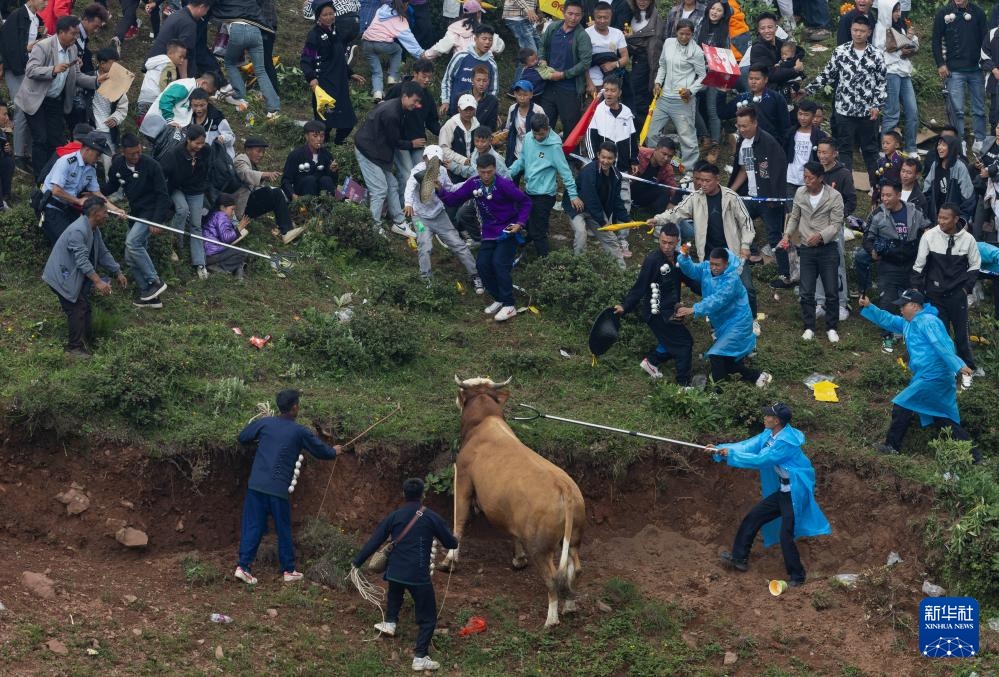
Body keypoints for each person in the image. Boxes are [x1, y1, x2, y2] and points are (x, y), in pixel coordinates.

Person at [712, 402, 830, 586]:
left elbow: (762, 459)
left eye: (768, 415)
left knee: (786, 535)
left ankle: (797, 577)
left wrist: (731, 456)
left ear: (777, 421)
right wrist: (720, 449)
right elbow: (747, 446)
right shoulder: (769, 433)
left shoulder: (786, 443)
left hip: (794, 494)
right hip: (783, 492)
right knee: (753, 517)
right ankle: (739, 558)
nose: (764, 417)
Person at [234, 389, 343, 586]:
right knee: (283, 528)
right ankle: (288, 570)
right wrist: (334, 451)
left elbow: (243, 437)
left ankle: (243, 567)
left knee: (253, 526)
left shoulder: (265, 423)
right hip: (277, 489)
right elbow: (320, 451)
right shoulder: (299, 431)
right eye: (298, 404)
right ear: (294, 408)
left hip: (256, 485)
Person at [351, 478, 458, 674]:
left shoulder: (395, 516)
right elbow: (451, 544)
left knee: (395, 591)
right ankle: (419, 657)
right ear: (423, 495)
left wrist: (357, 562)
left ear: (403, 494)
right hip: (418, 575)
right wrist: (454, 538)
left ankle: (390, 622)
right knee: (428, 617)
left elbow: (375, 540)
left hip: (395, 572)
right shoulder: (431, 517)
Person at [858, 290, 979, 462]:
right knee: (943, 418)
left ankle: (892, 446)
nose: (900, 309)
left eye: (903, 305)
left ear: (914, 306)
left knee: (902, 403)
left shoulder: (928, 321)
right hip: (926, 376)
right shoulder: (909, 322)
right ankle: (974, 457)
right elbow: (888, 320)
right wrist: (870, 306)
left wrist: (959, 365)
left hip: (936, 375)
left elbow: (942, 345)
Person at [651, 160, 759, 319]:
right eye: (700, 180)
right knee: (712, 290)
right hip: (709, 255)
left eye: (707, 180)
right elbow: (676, 212)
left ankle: (752, 319)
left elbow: (746, 223)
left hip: (733, 254)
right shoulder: (695, 198)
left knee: (746, 287)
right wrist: (657, 219)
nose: (703, 184)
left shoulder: (731, 197)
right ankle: (718, 322)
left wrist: (745, 245)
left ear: (717, 179)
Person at [438, 154, 532, 322]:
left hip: (508, 231)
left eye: (489, 172)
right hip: (489, 232)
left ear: (495, 169)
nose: (486, 176)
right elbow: (453, 200)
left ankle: (510, 305)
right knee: (481, 265)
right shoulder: (473, 184)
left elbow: (526, 202)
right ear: (478, 171)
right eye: (482, 172)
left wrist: (520, 223)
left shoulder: (504, 185)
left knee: (499, 263)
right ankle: (499, 298)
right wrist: (439, 190)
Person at [801, 15, 886, 191]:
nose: (858, 34)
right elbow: (827, 74)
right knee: (845, 150)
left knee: (870, 150)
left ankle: (877, 188)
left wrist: (877, 105)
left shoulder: (877, 55)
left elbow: (881, 83)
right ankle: (844, 188)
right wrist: (808, 89)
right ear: (851, 30)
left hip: (867, 111)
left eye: (862, 31)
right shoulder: (841, 51)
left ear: (869, 32)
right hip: (844, 110)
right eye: (855, 30)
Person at [15, 15, 102, 181]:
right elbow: (31, 70)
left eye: (77, 34)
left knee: (56, 140)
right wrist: (53, 70)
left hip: (55, 101)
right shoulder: (44, 46)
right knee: (41, 139)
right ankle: (40, 179)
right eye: (73, 33)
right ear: (61, 32)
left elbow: (76, 76)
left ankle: (53, 176)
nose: (75, 37)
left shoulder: (73, 50)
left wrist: (96, 81)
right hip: (36, 100)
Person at [41, 196, 127, 358]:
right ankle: (74, 348)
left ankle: (85, 341)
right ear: (95, 213)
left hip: (72, 276)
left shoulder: (94, 229)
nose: (107, 215)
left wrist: (117, 271)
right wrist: (98, 281)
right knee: (77, 308)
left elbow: (102, 252)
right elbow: (81, 260)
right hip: (61, 276)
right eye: (105, 212)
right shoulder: (78, 231)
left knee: (84, 307)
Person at [675, 247, 772, 387]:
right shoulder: (707, 268)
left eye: (717, 265)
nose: (713, 268)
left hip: (738, 322)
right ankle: (758, 376)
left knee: (716, 354)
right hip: (723, 323)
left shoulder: (731, 279)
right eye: (712, 264)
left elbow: (717, 300)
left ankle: (719, 391)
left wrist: (693, 309)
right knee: (729, 364)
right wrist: (684, 258)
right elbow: (692, 270)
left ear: (726, 264)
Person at [911, 203, 981, 386]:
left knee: (961, 335)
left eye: (945, 218)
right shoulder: (929, 236)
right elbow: (918, 267)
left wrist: (966, 289)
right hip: (935, 295)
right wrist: (918, 290)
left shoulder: (968, 240)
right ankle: (945, 371)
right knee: (939, 336)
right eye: (939, 217)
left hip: (957, 295)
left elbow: (975, 266)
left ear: (956, 219)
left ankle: (968, 369)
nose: (940, 221)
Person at [614, 224, 695, 383]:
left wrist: (712, 292)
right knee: (684, 343)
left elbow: (691, 281)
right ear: (659, 239)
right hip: (656, 313)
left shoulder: (680, 259)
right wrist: (625, 306)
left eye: (670, 243)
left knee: (675, 341)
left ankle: (652, 362)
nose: (666, 246)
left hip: (672, 312)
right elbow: (640, 286)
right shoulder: (652, 260)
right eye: (663, 242)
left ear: (677, 241)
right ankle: (683, 384)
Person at [102, 133, 171, 309]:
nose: (136, 156)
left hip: (150, 213)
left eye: (139, 152)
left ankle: (154, 280)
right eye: (132, 153)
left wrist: (157, 221)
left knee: (132, 243)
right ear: (123, 152)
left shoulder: (152, 166)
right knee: (130, 256)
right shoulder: (117, 165)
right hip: (136, 212)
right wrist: (93, 190)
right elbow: (111, 186)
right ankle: (148, 295)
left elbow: (163, 195)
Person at [779, 161, 845, 343]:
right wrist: (787, 235)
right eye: (804, 177)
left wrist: (821, 236)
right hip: (807, 249)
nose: (806, 181)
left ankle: (831, 327)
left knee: (831, 290)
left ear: (820, 178)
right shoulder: (800, 193)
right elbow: (795, 217)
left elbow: (837, 223)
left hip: (827, 248)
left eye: (810, 178)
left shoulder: (834, 196)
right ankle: (809, 327)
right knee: (806, 291)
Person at [862, 181, 931, 353]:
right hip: (889, 265)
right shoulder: (878, 214)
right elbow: (867, 238)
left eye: (888, 195)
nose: (884, 199)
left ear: (899, 195)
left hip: (911, 264)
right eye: (882, 195)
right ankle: (887, 337)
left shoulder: (914, 211)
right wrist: (872, 251)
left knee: (913, 301)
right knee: (888, 301)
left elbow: (927, 229)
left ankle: (910, 334)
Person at [404, 144, 482, 289]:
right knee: (425, 246)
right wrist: (408, 203)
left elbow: (450, 189)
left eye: (437, 162)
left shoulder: (442, 172)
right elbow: (409, 187)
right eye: (430, 160)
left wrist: (468, 183)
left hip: (439, 215)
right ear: (424, 158)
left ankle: (475, 275)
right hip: (420, 218)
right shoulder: (417, 171)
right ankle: (426, 279)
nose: (433, 164)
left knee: (458, 244)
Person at [729, 107, 790, 290]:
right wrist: (731, 191)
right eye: (739, 126)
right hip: (751, 196)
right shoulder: (742, 142)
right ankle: (752, 253)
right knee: (737, 218)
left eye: (745, 126)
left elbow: (779, 171)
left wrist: (775, 198)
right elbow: (743, 170)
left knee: (774, 235)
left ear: (755, 123)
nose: (741, 130)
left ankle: (785, 273)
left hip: (769, 198)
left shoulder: (768, 142)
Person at [508, 114, 583, 258]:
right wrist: (508, 173)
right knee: (527, 221)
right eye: (535, 134)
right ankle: (524, 243)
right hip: (529, 190)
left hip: (545, 195)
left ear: (547, 128)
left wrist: (573, 195)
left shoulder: (554, 147)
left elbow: (565, 172)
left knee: (539, 231)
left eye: (541, 134)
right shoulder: (529, 138)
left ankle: (545, 260)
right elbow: (522, 160)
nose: (538, 137)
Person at [354, 80, 423, 237]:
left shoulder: (399, 107)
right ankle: (373, 229)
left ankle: (399, 223)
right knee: (379, 189)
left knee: (391, 184)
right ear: (405, 96)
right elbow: (395, 142)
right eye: (415, 101)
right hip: (367, 151)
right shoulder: (392, 113)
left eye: (419, 101)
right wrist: (411, 144)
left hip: (378, 151)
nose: (417, 104)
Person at [40, 132, 119, 245]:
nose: (99, 158)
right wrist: (78, 201)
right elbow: (56, 191)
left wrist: (115, 209)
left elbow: (97, 193)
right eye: (98, 154)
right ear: (87, 150)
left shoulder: (90, 170)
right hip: (52, 207)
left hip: (68, 208)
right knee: (67, 243)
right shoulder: (66, 162)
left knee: (87, 237)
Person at [646, 19, 704, 169]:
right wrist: (658, 83)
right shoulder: (669, 43)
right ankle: (661, 162)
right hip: (664, 97)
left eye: (688, 34)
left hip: (683, 100)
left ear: (692, 34)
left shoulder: (696, 51)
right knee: (651, 133)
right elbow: (662, 65)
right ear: (676, 32)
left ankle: (689, 171)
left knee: (687, 138)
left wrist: (690, 90)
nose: (684, 37)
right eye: (681, 33)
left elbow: (703, 76)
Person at [932, 0, 988, 152]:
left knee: (979, 108)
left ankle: (980, 139)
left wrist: (986, 63)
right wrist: (940, 64)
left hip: (976, 68)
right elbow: (936, 40)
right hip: (953, 69)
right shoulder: (943, 13)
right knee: (957, 109)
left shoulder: (978, 12)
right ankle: (959, 141)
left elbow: (986, 40)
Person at [0, 0, 48, 171]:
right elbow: (9, 44)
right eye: (43, 0)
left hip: (29, 70)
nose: (46, 4)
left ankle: (26, 152)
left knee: (30, 109)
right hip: (16, 69)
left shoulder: (36, 19)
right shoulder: (17, 16)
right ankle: (18, 155)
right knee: (21, 108)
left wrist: (41, 36)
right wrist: (27, 48)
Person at [160, 124, 212, 278]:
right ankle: (174, 245)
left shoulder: (206, 151)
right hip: (178, 188)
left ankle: (200, 263)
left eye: (202, 143)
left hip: (196, 190)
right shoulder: (174, 153)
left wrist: (202, 181)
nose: (200, 146)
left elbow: (208, 170)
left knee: (196, 225)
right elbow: (162, 174)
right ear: (188, 140)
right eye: (197, 143)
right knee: (182, 210)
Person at [214, 0, 281, 116]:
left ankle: (240, 95)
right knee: (261, 70)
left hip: (237, 28)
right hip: (255, 30)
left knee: (230, 63)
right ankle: (274, 108)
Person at [386, 59, 441, 195]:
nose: (427, 80)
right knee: (407, 175)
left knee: (419, 175)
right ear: (415, 74)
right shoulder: (399, 89)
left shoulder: (427, 97)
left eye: (430, 77)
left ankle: (407, 206)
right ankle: (403, 210)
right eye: (424, 76)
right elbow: (384, 109)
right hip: (399, 141)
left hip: (418, 142)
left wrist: (446, 131)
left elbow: (432, 122)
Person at [538, 1, 592, 134]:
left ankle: (569, 155)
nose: (573, 18)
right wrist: (542, 59)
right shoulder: (553, 28)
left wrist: (563, 74)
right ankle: (543, 153)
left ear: (582, 15)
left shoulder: (582, 36)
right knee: (543, 124)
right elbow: (542, 46)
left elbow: (585, 62)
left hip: (570, 89)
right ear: (563, 12)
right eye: (570, 14)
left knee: (570, 127)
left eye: (577, 15)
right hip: (548, 85)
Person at [570, 141, 628, 268]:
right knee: (581, 234)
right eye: (603, 157)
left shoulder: (617, 176)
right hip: (577, 208)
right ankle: (579, 268)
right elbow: (591, 198)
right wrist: (603, 221)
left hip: (596, 212)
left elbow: (617, 200)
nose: (606, 161)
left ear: (615, 158)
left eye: (609, 158)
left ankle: (622, 274)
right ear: (598, 155)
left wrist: (627, 219)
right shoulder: (589, 171)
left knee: (611, 239)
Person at [874, 0, 919, 155]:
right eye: (895, 10)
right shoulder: (880, 28)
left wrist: (910, 40)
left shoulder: (901, 25)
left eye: (899, 10)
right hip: (890, 72)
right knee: (892, 112)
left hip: (904, 71)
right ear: (887, 10)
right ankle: (884, 149)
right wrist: (901, 51)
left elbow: (909, 47)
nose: (898, 14)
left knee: (912, 110)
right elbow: (880, 52)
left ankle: (911, 147)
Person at [235, 137, 297, 243]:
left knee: (275, 193)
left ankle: (287, 227)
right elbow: (245, 174)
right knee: (275, 193)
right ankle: (286, 231)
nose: (261, 155)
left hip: (247, 204)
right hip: (239, 208)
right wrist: (265, 174)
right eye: (258, 151)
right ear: (247, 150)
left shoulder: (251, 163)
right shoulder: (240, 160)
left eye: (263, 152)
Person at [361, 0, 424, 102]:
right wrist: (421, 54)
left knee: (376, 71)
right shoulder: (401, 20)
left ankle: (377, 92)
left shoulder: (382, 9)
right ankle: (393, 77)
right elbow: (410, 41)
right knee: (397, 49)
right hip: (381, 44)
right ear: (406, 5)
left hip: (366, 42)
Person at [138, 71, 218, 142]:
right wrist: (170, 120)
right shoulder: (186, 86)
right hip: (158, 126)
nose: (208, 95)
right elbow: (166, 100)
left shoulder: (194, 90)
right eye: (210, 92)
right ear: (204, 84)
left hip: (167, 130)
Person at [440, 24, 498, 116]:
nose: (487, 42)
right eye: (484, 39)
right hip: (457, 109)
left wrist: (491, 110)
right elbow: (447, 79)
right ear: (475, 39)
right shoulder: (461, 56)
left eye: (490, 39)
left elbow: (493, 90)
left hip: (479, 112)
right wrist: (445, 101)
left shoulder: (492, 64)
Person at [720, 65, 789, 142]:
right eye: (751, 78)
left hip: (770, 144)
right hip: (747, 145)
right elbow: (723, 113)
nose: (753, 82)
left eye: (757, 79)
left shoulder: (776, 98)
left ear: (765, 79)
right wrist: (722, 92)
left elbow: (785, 127)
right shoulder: (743, 97)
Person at [146, 0, 212, 80]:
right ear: (201, 7)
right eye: (206, 10)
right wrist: (184, 81)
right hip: (164, 70)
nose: (205, 14)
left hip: (153, 63)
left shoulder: (177, 14)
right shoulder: (189, 24)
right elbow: (182, 55)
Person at [625, 0, 666, 124]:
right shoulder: (629, 14)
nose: (642, 2)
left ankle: (642, 129)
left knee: (641, 96)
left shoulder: (656, 19)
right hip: (633, 59)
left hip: (648, 62)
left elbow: (656, 47)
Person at [281, 120, 338, 201]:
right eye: (315, 136)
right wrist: (292, 195)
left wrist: (333, 171)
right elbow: (286, 180)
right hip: (302, 193)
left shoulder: (327, 155)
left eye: (322, 136)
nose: (319, 139)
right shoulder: (295, 155)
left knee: (326, 179)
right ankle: (308, 208)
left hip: (321, 193)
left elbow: (332, 181)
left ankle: (327, 207)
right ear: (307, 136)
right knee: (310, 180)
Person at [427, 0, 506, 58]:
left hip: (461, 65)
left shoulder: (455, 28)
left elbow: (442, 47)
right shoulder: (484, 30)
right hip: (482, 68)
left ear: (464, 12)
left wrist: (426, 55)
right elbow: (499, 46)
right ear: (478, 13)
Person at [924, 135, 977, 221]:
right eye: (939, 144)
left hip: (954, 219)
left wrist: (963, 219)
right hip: (936, 216)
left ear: (952, 147)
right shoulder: (935, 165)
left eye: (944, 145)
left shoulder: (960, 167)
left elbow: (968, 197)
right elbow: (927, 191)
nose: (939, 148)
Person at [784, 100, 827, 197]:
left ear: (813, 116)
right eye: (800, 114)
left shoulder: (820, 136)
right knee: (791, 210)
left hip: (810, 180)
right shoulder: (791, 133)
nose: (802, 118)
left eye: (806, 115)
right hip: (791, 179)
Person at [631, 138, 681, 215]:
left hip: (644, 195)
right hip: (628, 187)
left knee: (665, 191)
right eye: (664, 154)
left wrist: (673, 203)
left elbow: (672, 189)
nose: (666, 158)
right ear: (656, 149)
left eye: (670, 156)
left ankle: (653, 217)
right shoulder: (639, 153)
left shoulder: (668, 168)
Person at [586, 2, 629, 92]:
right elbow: (582, 62)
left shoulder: (617, 33)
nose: (602, 21)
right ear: (594, 17)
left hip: (612, 84)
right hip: (594, 83)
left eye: (606, 17)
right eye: (599, 17)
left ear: (611, 17)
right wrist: (589, 83)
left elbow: (625, 58)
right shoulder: (586, 33)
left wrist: (614, 64)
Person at [137, 39, 186, 118]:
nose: (182, 60)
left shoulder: (156, 61)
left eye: (184, 58)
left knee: (143, 123)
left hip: (143, 98)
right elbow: (165, 84)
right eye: (180, 57)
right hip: (155, 100)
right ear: (170, 53)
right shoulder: (169, 65)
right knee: (155, 125)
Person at [202, 193, 248, 277]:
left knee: (236, 253)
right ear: (222, 207)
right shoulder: (221, 215)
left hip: (210, 253)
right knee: (243, 253)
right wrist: (239, 228)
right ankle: (219, 268)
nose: (233, 213)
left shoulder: (215, 214)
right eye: (232, 209)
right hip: (212, 254)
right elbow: (226, 238)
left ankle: (238, 270)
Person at [504, 79, 545, 165]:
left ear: (531, 95)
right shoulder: (512, 109)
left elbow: (546, 133)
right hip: (516, 152)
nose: (522, 98)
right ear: (515, 94)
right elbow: (508, 128)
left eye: (525, 95)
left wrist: (542, 156)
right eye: (519, 95)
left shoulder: (538, 110)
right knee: (512, 176)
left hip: (534, 153)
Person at [188, 87, 235, 158]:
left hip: (219, 159)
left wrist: (223, 138)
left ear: (207, 102)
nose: (198, 109)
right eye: (195, 106)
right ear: (191, 104)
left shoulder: (217, 117)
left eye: (202, 105)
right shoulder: (188, 118)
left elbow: (231, 137)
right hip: (199, 158)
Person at [502, 0, 541, 83]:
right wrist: (529, 10)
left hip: (526, 18)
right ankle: (517, 88)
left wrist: (535, 12)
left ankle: (526, 85)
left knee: (540, 47)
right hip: (517, 17)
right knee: (530, 54)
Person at [468, 65, 499, 130]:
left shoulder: (492, 101)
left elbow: (491, 126)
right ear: (472, 80)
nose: (481, 84)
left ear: (488, 82)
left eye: (484, 81)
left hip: (482, 137)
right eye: (478, 80)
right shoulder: (462, 97)